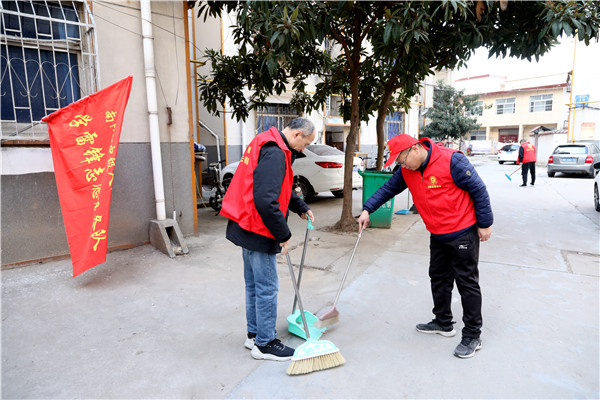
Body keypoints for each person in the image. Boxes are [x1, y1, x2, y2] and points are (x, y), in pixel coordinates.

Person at [357, 134, 493, 359]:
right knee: (438, 277)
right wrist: (367, 209)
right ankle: (443, 322)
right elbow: (388, 189)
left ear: (416, 149)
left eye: (402, 160)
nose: (402, 166)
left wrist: (485, 224)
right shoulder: (408, 170)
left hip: (462, 232)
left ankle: (472, 334)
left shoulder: (452, 161)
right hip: (437, 232)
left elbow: (478, 189)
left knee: (466, 282)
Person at [220, 117, 316, 361]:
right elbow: (266, 199)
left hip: (246, 225)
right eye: (306, 143)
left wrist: (301, 206)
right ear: (296, 134)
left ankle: (254, 335)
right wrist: (283, 234)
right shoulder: (275, 153)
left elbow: (279, 188)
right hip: (258, 227)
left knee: (254, 285)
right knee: (267, 288)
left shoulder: (267, 142)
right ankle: (265, 343)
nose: (304, 149)